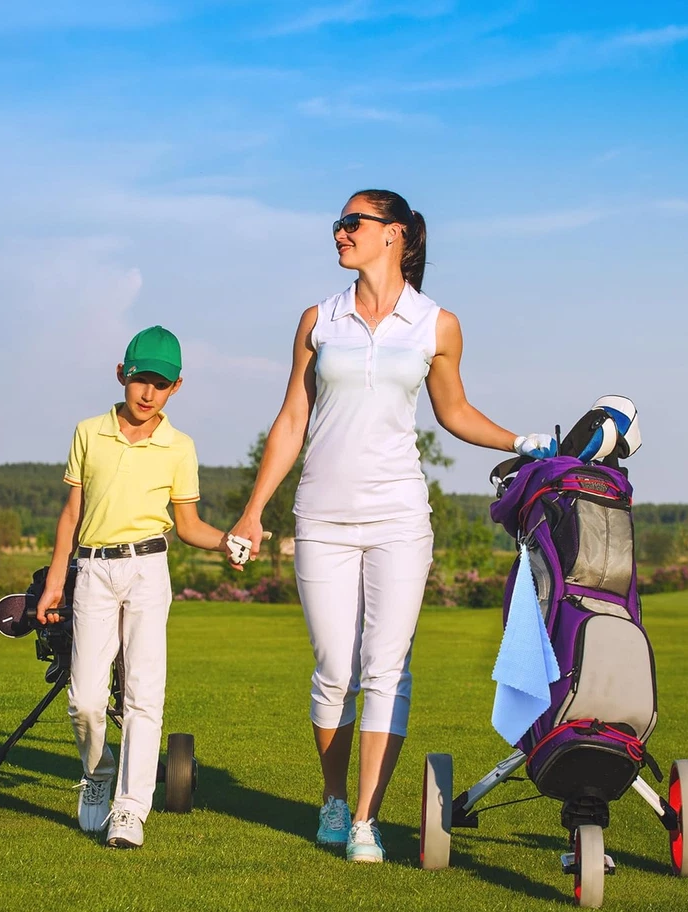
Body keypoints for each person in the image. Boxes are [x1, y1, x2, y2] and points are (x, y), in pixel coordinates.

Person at [229, 189, 554, 863]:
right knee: (333, 668)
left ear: (394, 234)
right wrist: (254, 510)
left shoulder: (437, 324)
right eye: (339, 223)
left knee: (386, 667)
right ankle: (333, 798)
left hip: (400, 518)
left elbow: (454, 411)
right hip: (321, 516)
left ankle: (365, 821)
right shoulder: (319, 320)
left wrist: (519, 442)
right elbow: (292, 420)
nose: (340, 233)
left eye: (353, 223)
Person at [36, 326, 234, 849]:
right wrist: (55, 580)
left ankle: (130, 809)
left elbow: (188, 525)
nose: (148, 393)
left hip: (148, 569)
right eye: (140, 379)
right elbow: (72, 513)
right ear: (121, 374)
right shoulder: (88, 432)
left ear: (176, 387)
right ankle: (99, 773)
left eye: (161, 384)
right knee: (85, 698)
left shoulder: (179, 447)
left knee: (144, 694)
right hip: (93, 570)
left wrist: (227, 541)